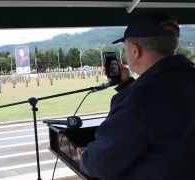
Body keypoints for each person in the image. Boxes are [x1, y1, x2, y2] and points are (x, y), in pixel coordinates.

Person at [77, 12, 195, 179]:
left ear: (134, 50)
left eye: (125, 47)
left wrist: (85, 161)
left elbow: (99, 164)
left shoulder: (135, 101)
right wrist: (127, 84)